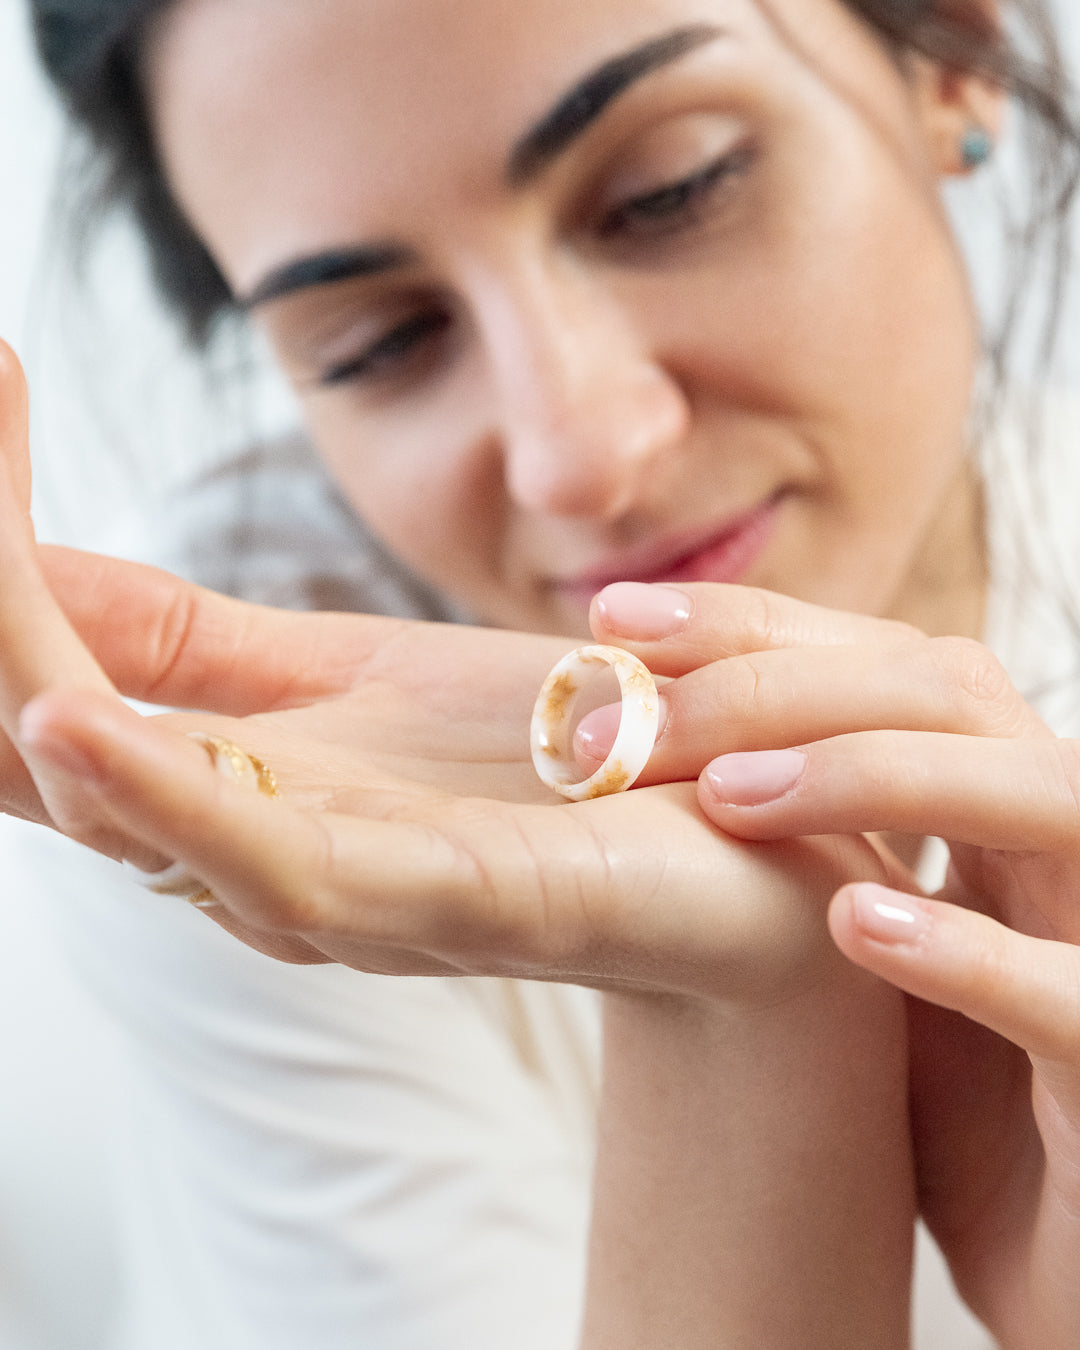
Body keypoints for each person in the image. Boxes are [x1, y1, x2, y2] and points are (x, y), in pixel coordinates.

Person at [4, 0, 1080, 1343]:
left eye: (671, 191)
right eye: (379, 343)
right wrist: (751, 992)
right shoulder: (238, 736)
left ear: (956, 59)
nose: (577, 452)